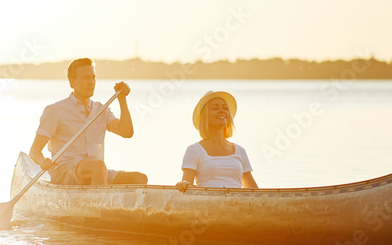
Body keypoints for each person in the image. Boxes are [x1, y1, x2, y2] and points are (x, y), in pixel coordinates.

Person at [29, 58, 147, 186]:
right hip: (63, 171)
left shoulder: (101, 110)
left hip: (97, 172)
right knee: (98, 167)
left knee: (139, 179)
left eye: (93, 77)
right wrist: (42, 161)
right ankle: (100, 205)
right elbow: (34, 151)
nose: (91, 82)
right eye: (86, 78)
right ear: (72, 82)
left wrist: (122, 99)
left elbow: (127, 132)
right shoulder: (55, 110)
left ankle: (117, 203)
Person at [176, 91, 258, 192]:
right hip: (208, 203)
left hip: (237, 204)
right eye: (215, 108)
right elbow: (186, 188)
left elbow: (254, 191)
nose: (221, 111)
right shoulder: (194, 150)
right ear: (205, 116)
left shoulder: (240, 151)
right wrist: (183, 185)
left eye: (225, 108)